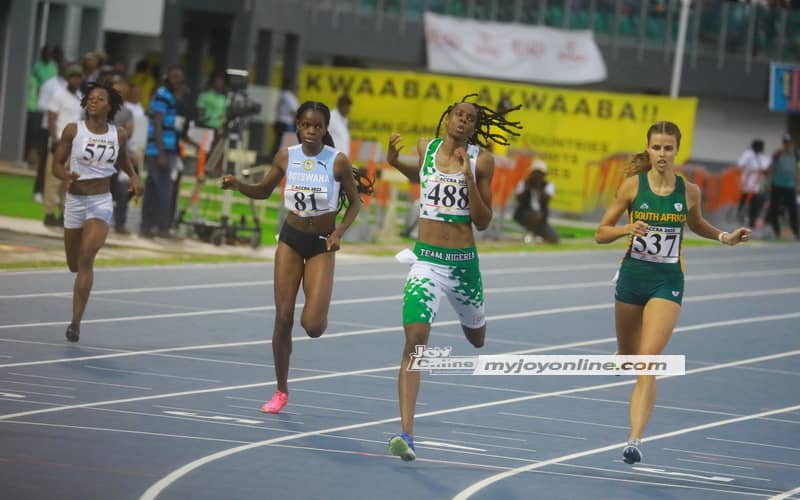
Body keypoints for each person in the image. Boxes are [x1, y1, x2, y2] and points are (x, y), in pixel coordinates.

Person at [594, 121, 750, 465]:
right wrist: (626, 229)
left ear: (677, 150)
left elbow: (696, 224)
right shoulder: (632, 187)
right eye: (656, 148)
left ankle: (634, 439)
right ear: (647, 149)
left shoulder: (689, 190)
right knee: (628, 356)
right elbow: (600, 233)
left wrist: (725, 237)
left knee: (648, 362)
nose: (662, 154)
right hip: (632, 278)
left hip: (667, 281)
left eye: (668, 148)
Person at [385, 94, 522, 461]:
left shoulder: (482, 161)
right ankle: (406, 435)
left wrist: (467, 177)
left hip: (463, 265)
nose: (462, 120)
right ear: (447, 119)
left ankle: (474, 320)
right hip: (426, 260)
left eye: (470, 118)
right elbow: (423, 176)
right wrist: (397, 163)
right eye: (457, 114)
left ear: (475, 128)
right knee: (416, 337)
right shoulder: (425, 148)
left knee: (476, 338)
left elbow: (483, 220)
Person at [221, 101, 372, 414]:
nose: (311, 131)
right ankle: (280, 390)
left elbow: (356, 203)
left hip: (321, 244)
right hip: (290, 239)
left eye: (317, 126)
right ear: (298, 126)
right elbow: (263, 191)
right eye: (305, 125)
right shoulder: (286, 156)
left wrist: (338, 233)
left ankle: (318, 306)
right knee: (283, 317)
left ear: (325, 129)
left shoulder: (337, 161)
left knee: (312, 325)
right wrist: (237, 185)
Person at [51, 81, 143, 342]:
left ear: (110, 105)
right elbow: (56, 165)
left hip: (100, 201)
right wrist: (66, 174)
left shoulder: (119, 134)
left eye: (99, 99)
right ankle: (77, 297)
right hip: (75, 201)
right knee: (73, 263)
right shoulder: (72, 131)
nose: (93, 101)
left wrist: (134, 177)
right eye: (90, 98)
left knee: (87, 256)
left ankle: (75, 323)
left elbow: (123, 159)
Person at [140, 66, 184, 239]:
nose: (177, 81)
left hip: (164, 148)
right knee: (165, 190)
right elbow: (157, 123)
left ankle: (147, 226)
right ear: (167, 77)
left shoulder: (170, 96)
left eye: (179, 78)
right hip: (160, 149)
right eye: (174, 77)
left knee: (152, 188)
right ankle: (163, 228)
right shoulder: (163, 95)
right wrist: (161, 152)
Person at [513, 159, 559, 244]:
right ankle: (530, 234)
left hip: (541, 217)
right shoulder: (524, 183)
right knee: (536, 215)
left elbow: (546, 198)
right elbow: (519, 198)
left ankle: (536, 235)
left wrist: (538, 187)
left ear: (544, 175)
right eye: (535, 173)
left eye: (540, 173)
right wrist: (528, 187)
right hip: (523, 214)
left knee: (554, 238)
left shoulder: (548, 185)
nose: (537, 176)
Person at [766, 133, 799, 240]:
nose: (787, 145)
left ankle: (796, 232)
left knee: (792, 210)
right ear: (783, 144)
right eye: (785, 143)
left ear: (792, 143)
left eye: (788, 143)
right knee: (774, 209)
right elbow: (771, 169)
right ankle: (776, 232)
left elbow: (798, 169)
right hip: (777, 185)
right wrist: (769, 183)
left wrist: (798, 184)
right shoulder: (777, 154)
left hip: (790, 185)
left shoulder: (796, 155)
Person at [737, 139, 771, 229]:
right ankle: (739, 216)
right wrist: (752, 168)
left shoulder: (761, 156)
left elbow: (765, 166)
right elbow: (740, 164)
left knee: (754, 203)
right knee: (743, 201)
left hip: (755, 185)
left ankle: (752, 221)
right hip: (745, 183)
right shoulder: (748, 154)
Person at [269, 77, 299, 160]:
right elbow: (294, 111)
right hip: (286, 122)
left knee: (278, 142)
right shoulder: (289, 96)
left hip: (279, 121)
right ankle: (282, 160)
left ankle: (274, 158)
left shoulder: (280, 94)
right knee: (286, 143)